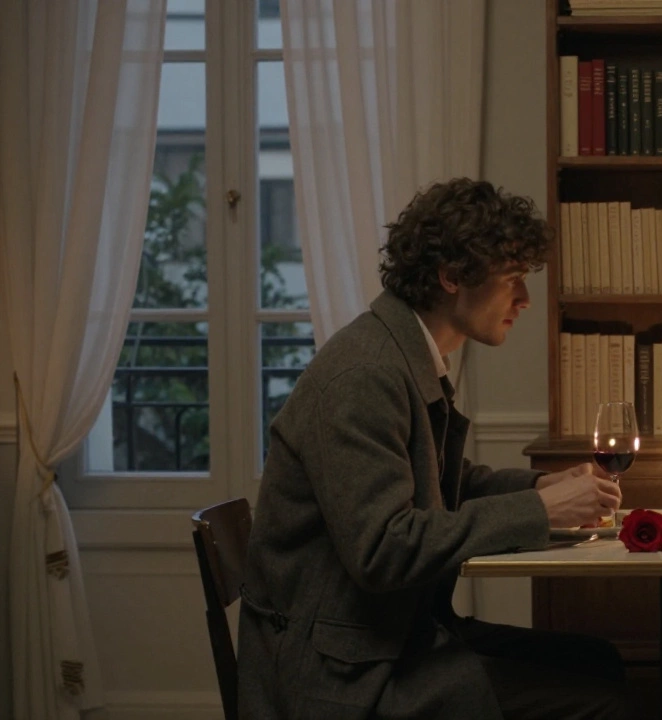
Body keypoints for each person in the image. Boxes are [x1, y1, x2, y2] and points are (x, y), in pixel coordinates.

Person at [237, 178, 632, 720]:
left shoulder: (400, 354)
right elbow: (382, 548)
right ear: (451, 277)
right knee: (602, 699)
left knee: (598, 661)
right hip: (345, 674)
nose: (525, 299)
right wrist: (540, 511)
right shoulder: (366, 372)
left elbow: (445, 482)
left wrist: (541, 486)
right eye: (513, 280)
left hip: (382, 641)